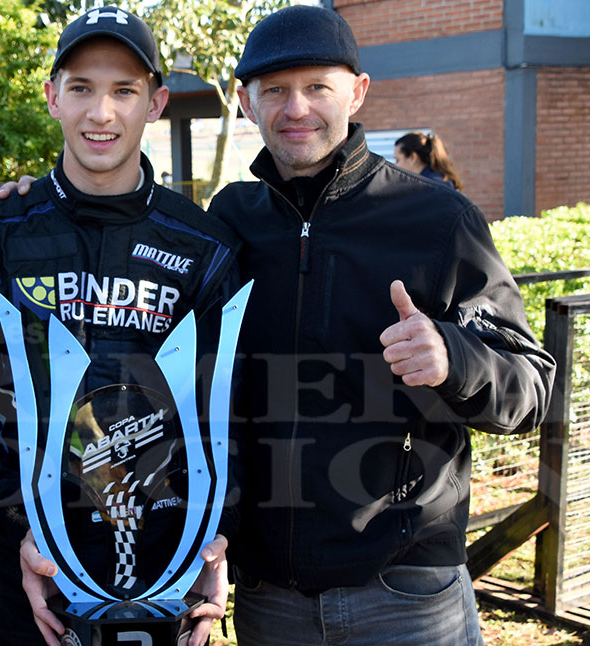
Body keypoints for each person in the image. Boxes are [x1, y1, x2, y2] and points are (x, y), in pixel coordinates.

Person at [207, 6, 556, 645]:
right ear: (246, 103)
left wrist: (453, 357)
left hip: (407, 595)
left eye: (317, 86)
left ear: (357, 92)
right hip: (268, 599)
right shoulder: (229, 220)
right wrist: (33, 204)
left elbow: (532, 388)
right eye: (275, 90)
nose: (296, 108)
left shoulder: (438, 220)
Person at [0, 7, 237, 646]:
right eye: (82, 88)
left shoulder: (205, 245)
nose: (101, 113)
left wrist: (214, 539)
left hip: (164, 568)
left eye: (125, 90)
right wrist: (26, 528)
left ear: (156, 103)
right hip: (24, 568)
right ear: (52, 97)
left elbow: (229, 414)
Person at [394, 131, 464, 190]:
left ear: (413, 158)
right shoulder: (439, 181)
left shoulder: (426, 188)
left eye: (398, 160)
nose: (395, 165)